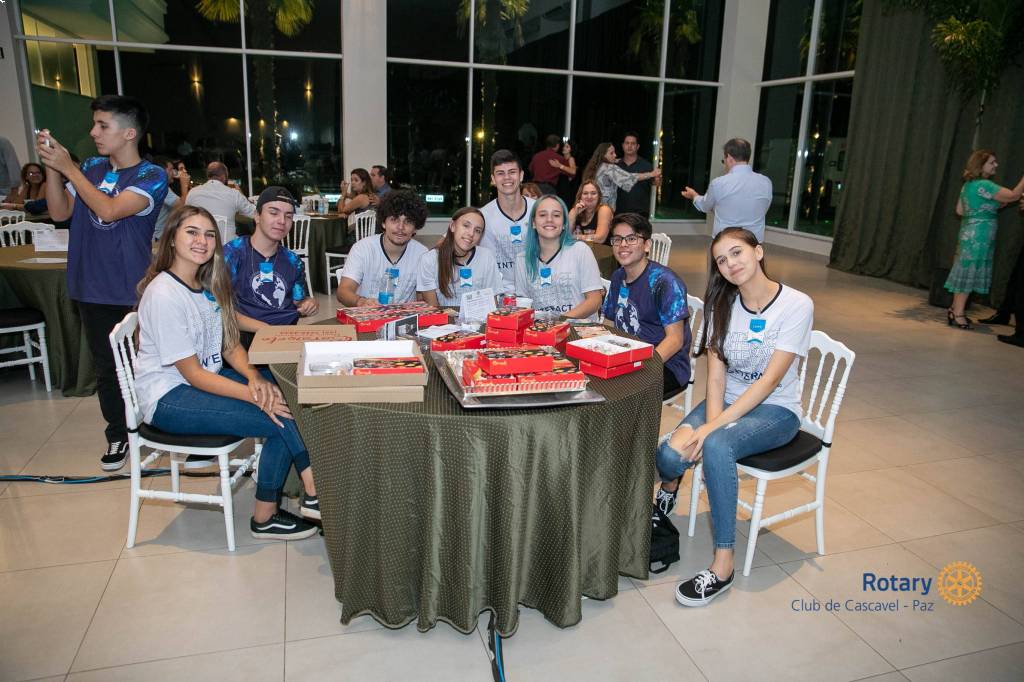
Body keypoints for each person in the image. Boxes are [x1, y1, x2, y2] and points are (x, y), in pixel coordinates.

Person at [134, 205, 321, 536]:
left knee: (282, 395)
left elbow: (229, 345)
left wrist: (255, 378)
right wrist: (253, 395)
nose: (202, 241)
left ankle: (291, 499)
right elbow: (193, 374)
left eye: (209, 235)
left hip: (204, 379)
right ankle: (300, 494)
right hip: (168, 397)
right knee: (276, 414)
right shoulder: (164, 294)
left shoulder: (205, 285)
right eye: (192, 232)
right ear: (172, 238)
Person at [654, 227, 813, 607]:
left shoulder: (796, 304)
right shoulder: (720, 305)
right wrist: (711, 422)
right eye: (721, 260)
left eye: (737, 252)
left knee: (718, 444)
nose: (730, 264)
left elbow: (770, 381)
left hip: (776, 409)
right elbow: (716, 377)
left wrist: (712, 431)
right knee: (669, 456)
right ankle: (670, 487)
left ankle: (722, 565)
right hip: (726, 402)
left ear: (758, 252)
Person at [37, 95, 169, 471]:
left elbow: (110, 211)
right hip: (89, 285)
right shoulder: (92, 167)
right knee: (106, 367)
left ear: (129, 133)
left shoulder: (151, 176)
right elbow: (60, 212)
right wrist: (54, 169)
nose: (94, 132)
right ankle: (118, 433)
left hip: (131, 287)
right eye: (94, 124)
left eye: (103, 125)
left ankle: (156, 426)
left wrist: (70, 168)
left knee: (145, 363)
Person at [603, 213, 691, 400]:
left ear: (647, 245)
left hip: (664, 364)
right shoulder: (618, 276)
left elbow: (675, 340)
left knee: (616, 394)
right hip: (626, 355)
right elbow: (609, 321)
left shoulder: (664, 282)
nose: (623, 245)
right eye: (617, 239)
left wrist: (639, 367)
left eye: (631, 238)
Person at [223, 186, 318, 348]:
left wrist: (310, 303)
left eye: (288, 216)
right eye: (274, 213)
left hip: (284, 343)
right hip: (242, 344)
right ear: (257, 216)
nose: (282, 221)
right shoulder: (232, 254)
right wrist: (265, 329)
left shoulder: (293, 261)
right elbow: (216, 310)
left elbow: (299, 301)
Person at [944, 150, 1024, 330]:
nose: (996, 165)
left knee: (964, 270)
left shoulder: (968, 185)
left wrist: (985, 207)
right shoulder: (985, 185)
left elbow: (960, 211)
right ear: (981, 166)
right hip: (979, 235)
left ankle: (954, 309)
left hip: (968, 232)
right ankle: (959, 313)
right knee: (969, 272)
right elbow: (1013, 195)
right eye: (992, 162)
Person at [513, 194, 604, 320]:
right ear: (533, 223)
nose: (549, 219)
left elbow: (594, 301)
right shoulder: (522, 259)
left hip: (579, 329)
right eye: (543, 215)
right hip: (541, 329)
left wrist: (559, 321)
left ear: (565, 224)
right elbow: (523, 305)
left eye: (556, 215)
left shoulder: (581, 250)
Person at [337, 189, 428, 306]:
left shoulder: (422, 254)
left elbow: (423, 298)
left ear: (415, 228)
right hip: (367, 315)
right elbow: (343, 292)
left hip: (404, 316)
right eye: (394, 220)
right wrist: (361, 302)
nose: (401, 227)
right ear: (383, 223)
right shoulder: (362, 249)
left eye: (408, 221)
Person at [681, 138, 772, 242]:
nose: (724, 163)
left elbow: (705, 206)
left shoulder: (719, 183)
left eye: (723, 160)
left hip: (725, 243)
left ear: (729, 158)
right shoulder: (766, 182)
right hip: (754, 244)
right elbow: (762, 210)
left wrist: (694, 196)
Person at [417, 207, 503, 307]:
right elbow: (432, 309)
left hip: (479, 317)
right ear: (453, 226)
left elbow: (492, 305)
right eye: (466, 226)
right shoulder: (429, 260)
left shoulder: (486, 257)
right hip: (442, 317)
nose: (471, 233)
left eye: (477, 230)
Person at [480, 149, 534, 293]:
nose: (507, 178)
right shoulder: (482, 216)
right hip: (500, 295)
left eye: (512, 172)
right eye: (500, 173)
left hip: (536, 291)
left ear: (521, 175)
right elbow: (451, 244)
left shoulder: (538, 210)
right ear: (493, 179)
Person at [185, 161, 255, 242]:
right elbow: (253, 213)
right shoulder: (234, 194)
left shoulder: (193, 192)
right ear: (224, 176)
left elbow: (185, 216)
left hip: (200, 243)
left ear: (208, 176)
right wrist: (241, 194)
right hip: (227, 246)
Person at [581, 142, 660, 212]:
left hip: (592, 208)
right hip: (604, 209)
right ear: (603, 155)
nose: (615, 155)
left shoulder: (597, 167)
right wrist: (651, 174)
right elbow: (630, 177)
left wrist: (615, 160)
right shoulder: (609, 168)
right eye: (611, 153)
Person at [616, 132, 659, 218]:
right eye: (627, 143)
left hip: (640, 214)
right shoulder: (616, 165)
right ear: (623, 145)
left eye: (633, 143)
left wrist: (658, 179)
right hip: (618, 212)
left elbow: (655, 183)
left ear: (637, 146)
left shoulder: (646, 165)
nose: (629, 146)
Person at [152, 157, 191, 241]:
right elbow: (182, 207)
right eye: (171, 169)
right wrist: (184, 185)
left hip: (156, 235)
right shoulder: (161, 188)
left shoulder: (155, 185)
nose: (173, 172)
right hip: (158, 238)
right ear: (162, 172)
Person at [568, 180, 614, 244]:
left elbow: (600, 238)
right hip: (580, 250)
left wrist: (576, 237)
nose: (589, 196)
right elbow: (565, 236)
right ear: (580, 196)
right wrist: (574, 214)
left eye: (593, 193)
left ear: (599, 196)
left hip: (602, 249)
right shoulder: (574, 211)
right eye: (585, 193)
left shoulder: (604, 210)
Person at [555, 138, 579, 207]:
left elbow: (573, 171)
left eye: (567, 147)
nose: (564, 148)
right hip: (561, 184)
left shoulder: (571, 158)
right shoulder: (562, 158)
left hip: (566, 186)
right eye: (564, 146)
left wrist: (560, 166)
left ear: (571, 150)